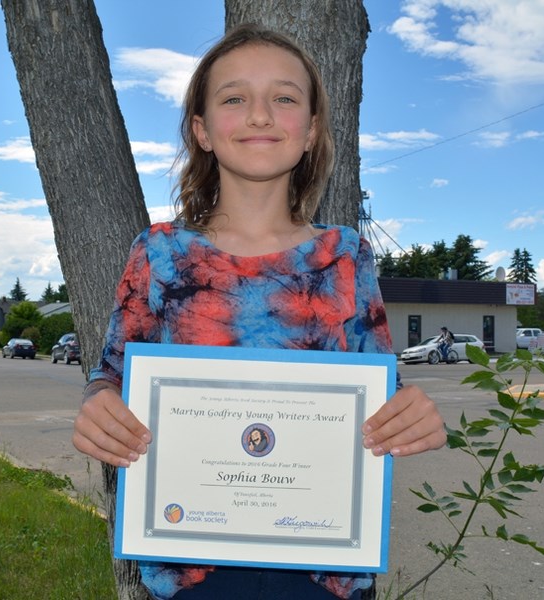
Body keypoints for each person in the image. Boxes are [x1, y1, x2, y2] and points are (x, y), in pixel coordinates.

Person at [72, 24, 446, 600]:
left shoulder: (346, 256)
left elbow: (380, 393)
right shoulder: (159, 252)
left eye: (284, 98)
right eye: (234, 98)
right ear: (201, 129)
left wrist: (412, 415)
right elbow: (111, 377)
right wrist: (99, 409)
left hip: (325, 576)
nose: (260, 115)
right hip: (191, 573)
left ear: (312, 129)